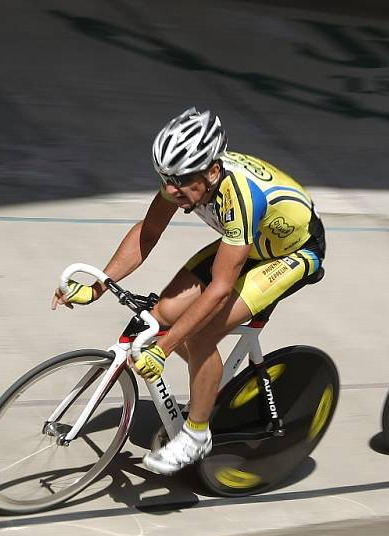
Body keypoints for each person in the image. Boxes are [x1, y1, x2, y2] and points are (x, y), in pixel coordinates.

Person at [52, 107, 326, 473]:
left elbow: (220, 289)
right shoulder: (186, 176)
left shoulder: (239, 197)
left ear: (212, 172)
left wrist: (163, 349)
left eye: (179, 180)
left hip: (293, 253)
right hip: (248, 244)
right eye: (164, 178)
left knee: (198, 337)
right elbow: (148, 233)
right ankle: (209, 385)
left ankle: (198, 435)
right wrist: (99, 285)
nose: (170, 189)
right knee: (161, 315)